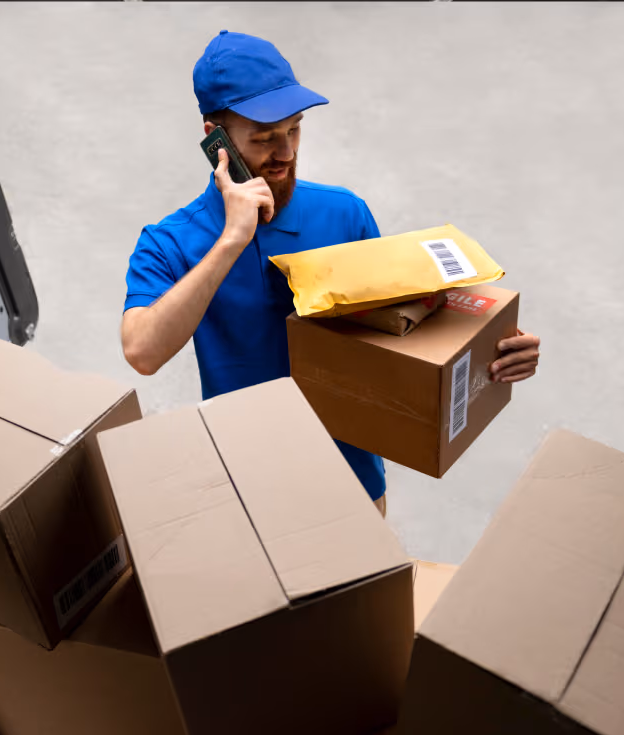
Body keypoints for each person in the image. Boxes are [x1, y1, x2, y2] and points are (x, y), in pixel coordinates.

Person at [121, 31, 541, 517]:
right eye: (263, 139)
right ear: (215, 137)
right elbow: (142, 351)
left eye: (293, 131)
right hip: (245, 494)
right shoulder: (170, 241)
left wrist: (494, 349)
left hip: (354, 486)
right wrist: (232, 238)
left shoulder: (344, 214)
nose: (285, 154)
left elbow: (403, 328)